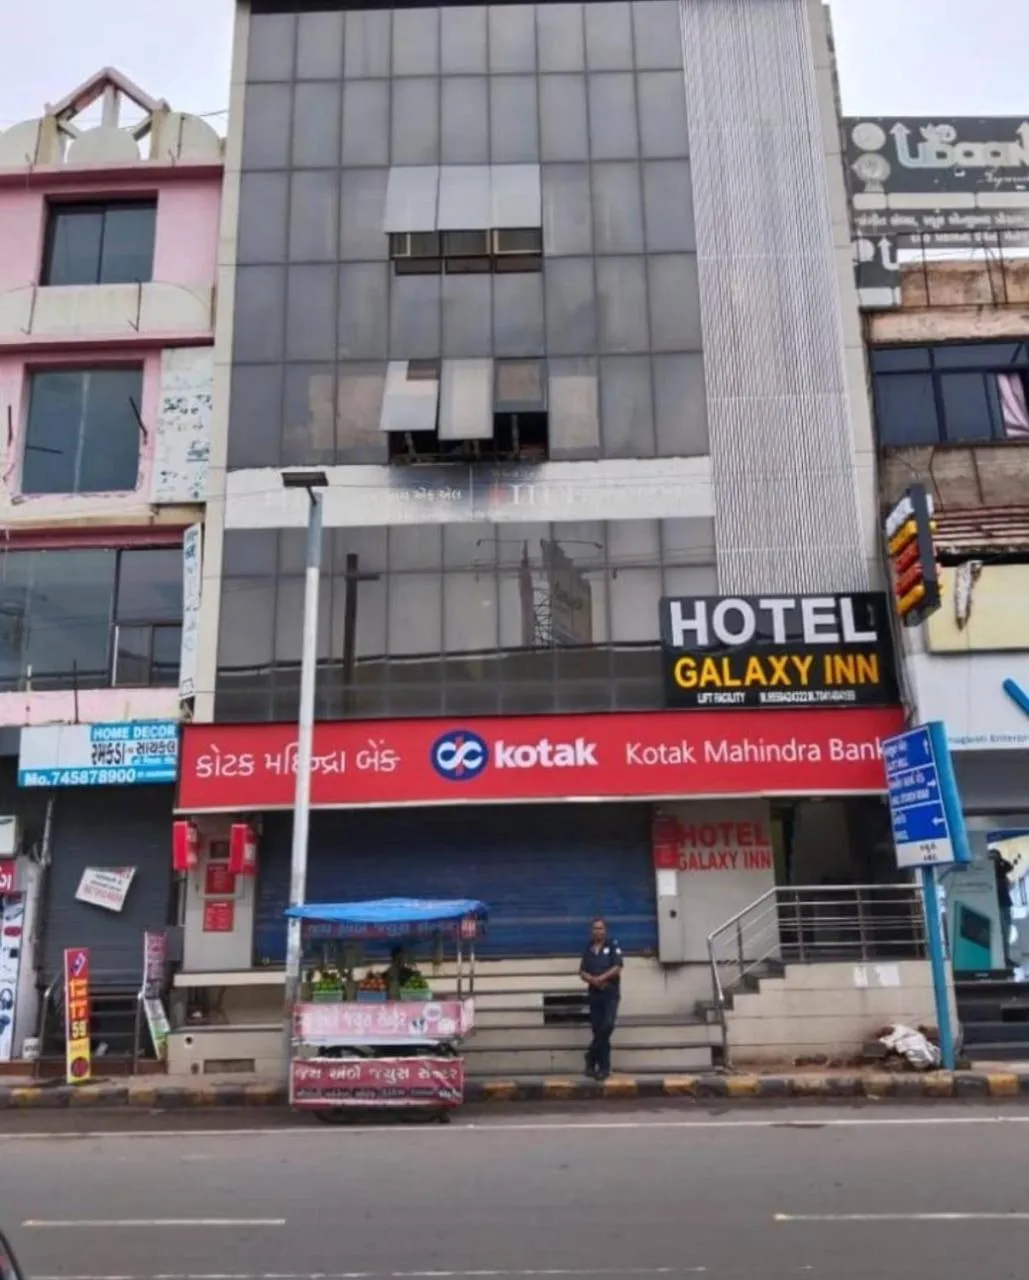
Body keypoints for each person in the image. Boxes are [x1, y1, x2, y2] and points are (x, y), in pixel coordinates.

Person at [579, 917, 623, 1080]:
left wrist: (601, 978)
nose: (597, 931)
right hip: (594, 994)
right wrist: (592, 980)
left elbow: (617, 967)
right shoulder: (588, 948)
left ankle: (590, 1055)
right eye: (595, 928)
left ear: (605, 930)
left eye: (600, 928)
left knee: (607, 1025)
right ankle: (602, 1067)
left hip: (610, 993)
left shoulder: (612, 945)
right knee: (598, 1029)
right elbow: (582, 971)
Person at [993, 848, 1016, 969]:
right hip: (999, 905)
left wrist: (1000, 859)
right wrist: (996, 860)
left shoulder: (1002, 873)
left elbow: (1009, 866)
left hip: (1006, 904)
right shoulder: (992, 873)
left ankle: (1006, 958)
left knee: (1006, 932)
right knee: (1003, 933)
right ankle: (1004, 958)